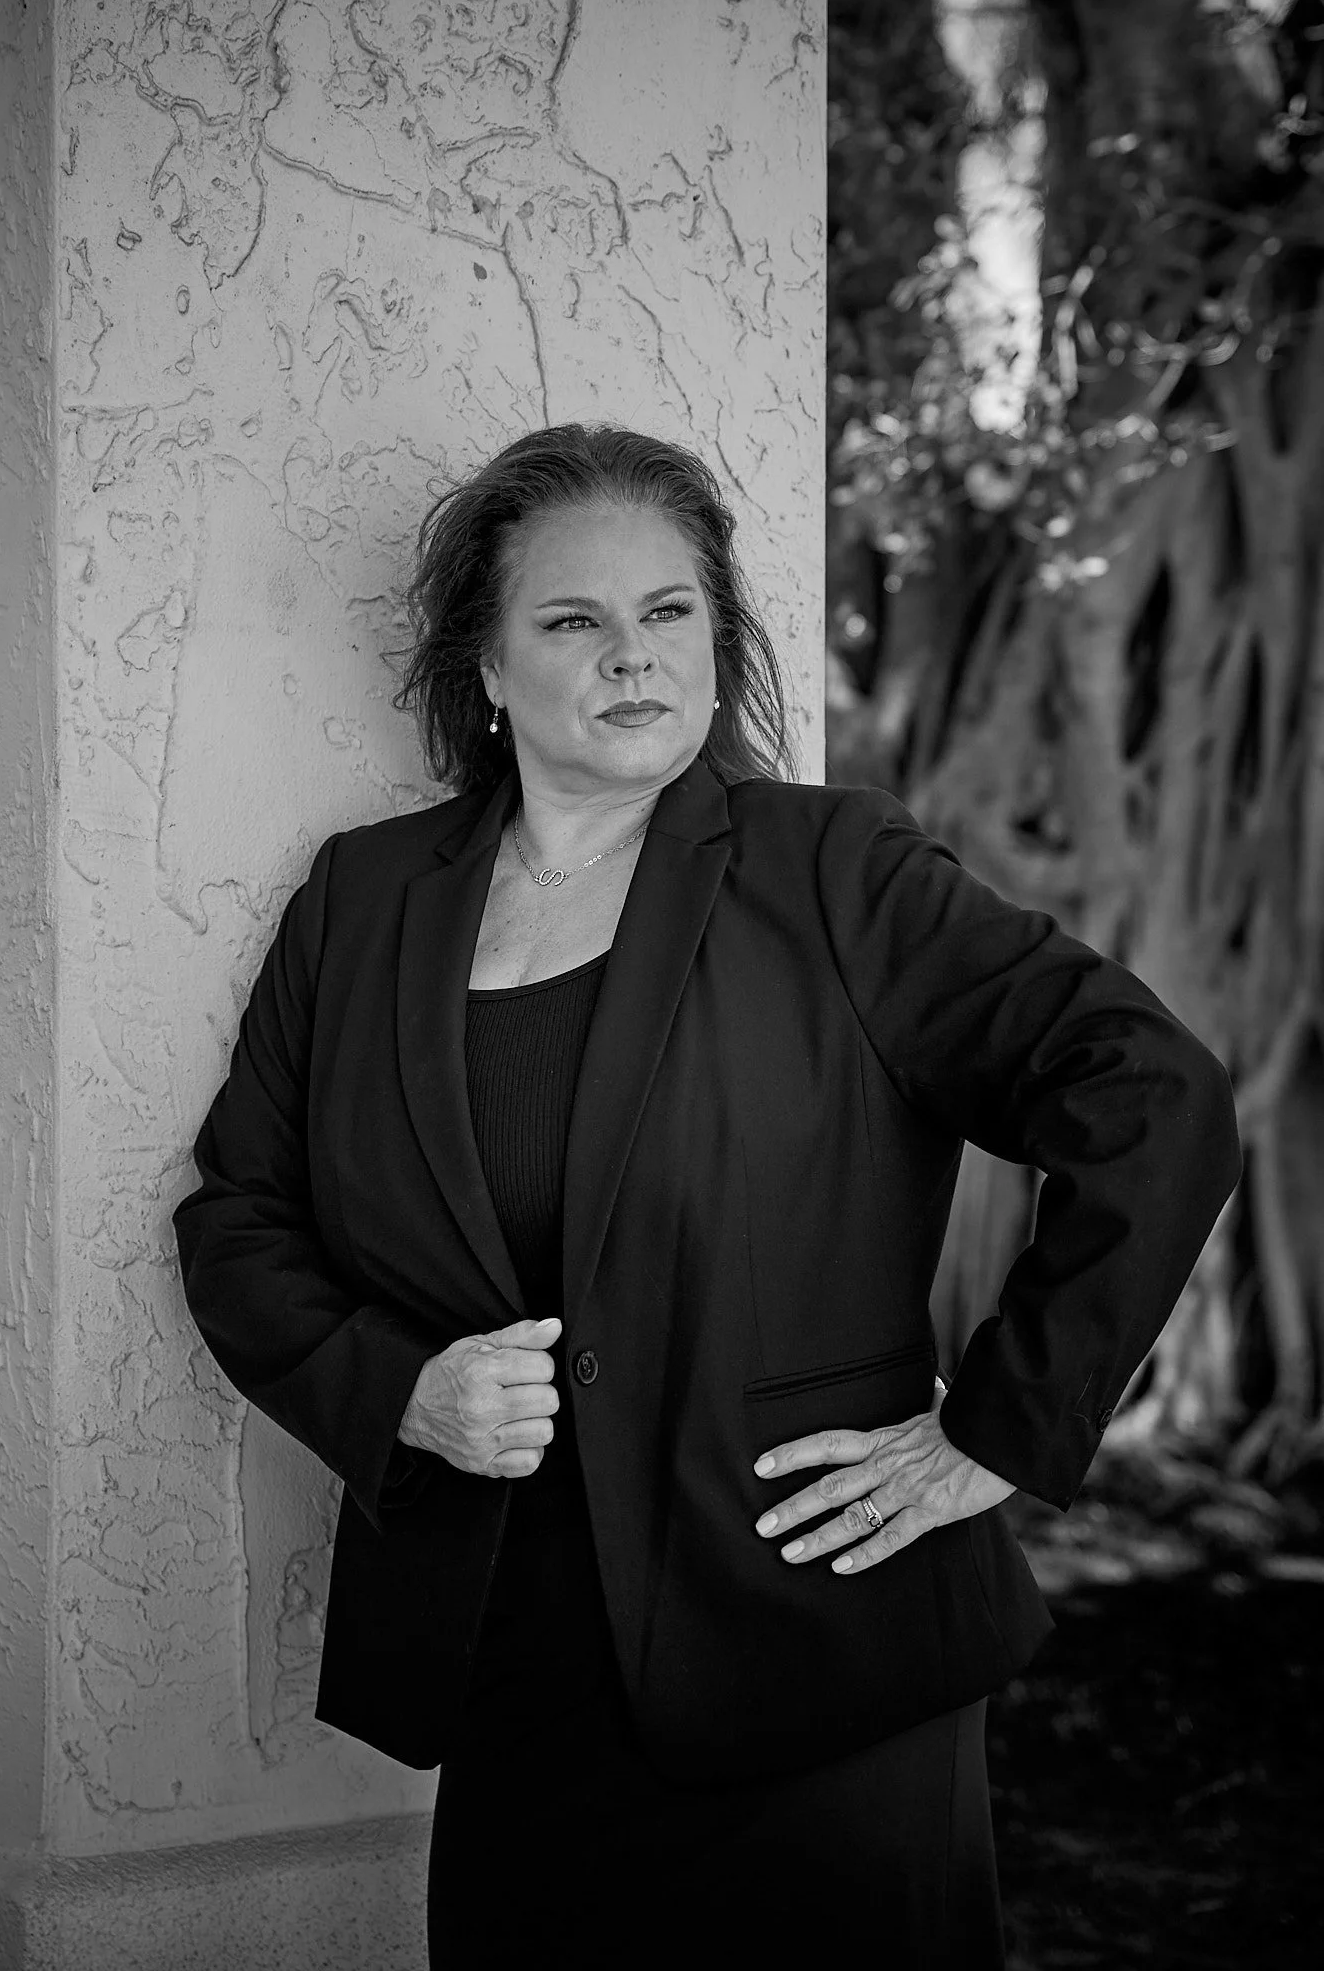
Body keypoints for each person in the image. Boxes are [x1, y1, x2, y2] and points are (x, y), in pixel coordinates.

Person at [172, 424, 1242, 1968]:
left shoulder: (831, 870)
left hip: (816, 1655)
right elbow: (238, 1220)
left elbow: (1153, 1096)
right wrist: (400, 1395)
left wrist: (997, 1433)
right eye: (571, 621)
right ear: (483, 668)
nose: (631, 657)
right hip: (513, 1676)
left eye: (670, 612)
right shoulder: (362, 902)